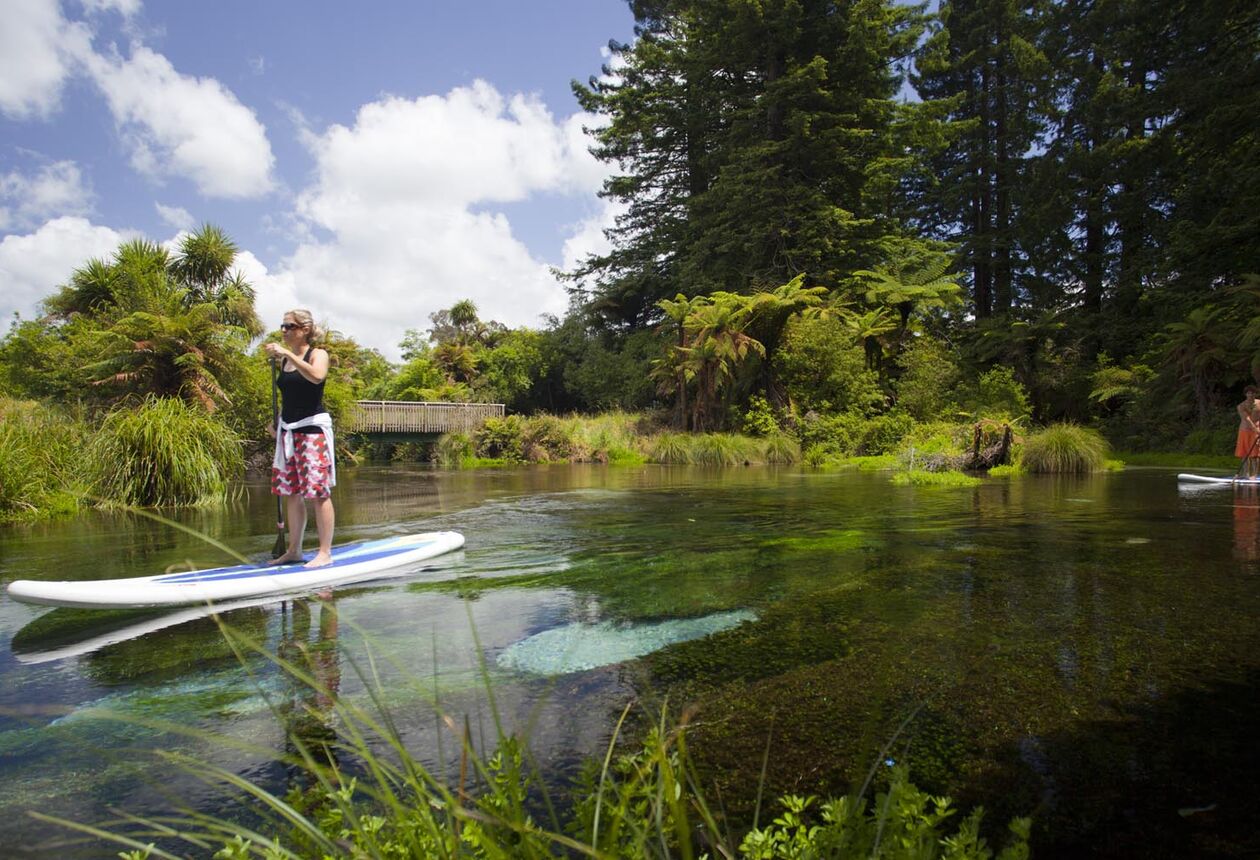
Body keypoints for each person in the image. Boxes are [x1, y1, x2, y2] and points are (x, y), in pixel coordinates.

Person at [264, 309, 336, 567]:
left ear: (304, 329)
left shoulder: (317, 354)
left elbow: (317, 377)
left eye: (289, 326)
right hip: (289, 432)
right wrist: (278, 424)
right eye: (282, 326)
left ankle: (324, 553)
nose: (283, 330)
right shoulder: (284, 361)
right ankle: (294, 551)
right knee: (291, 492)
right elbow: (288, 396)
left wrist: (286, 354)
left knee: (317, 491)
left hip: (312, 429)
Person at [1236, 385, 1260, 479]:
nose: (1250, 395)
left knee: (1255, 455)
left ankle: (1254, 475)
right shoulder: (1241, 406)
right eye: (1248, 393)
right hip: (1245, 430)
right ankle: (1245, 474)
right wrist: (1256, 430)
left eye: (1252, 393)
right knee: (1245, 454)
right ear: (1245, 394)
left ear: (1255, 394)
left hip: (1257, 430)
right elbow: (1247, 419)